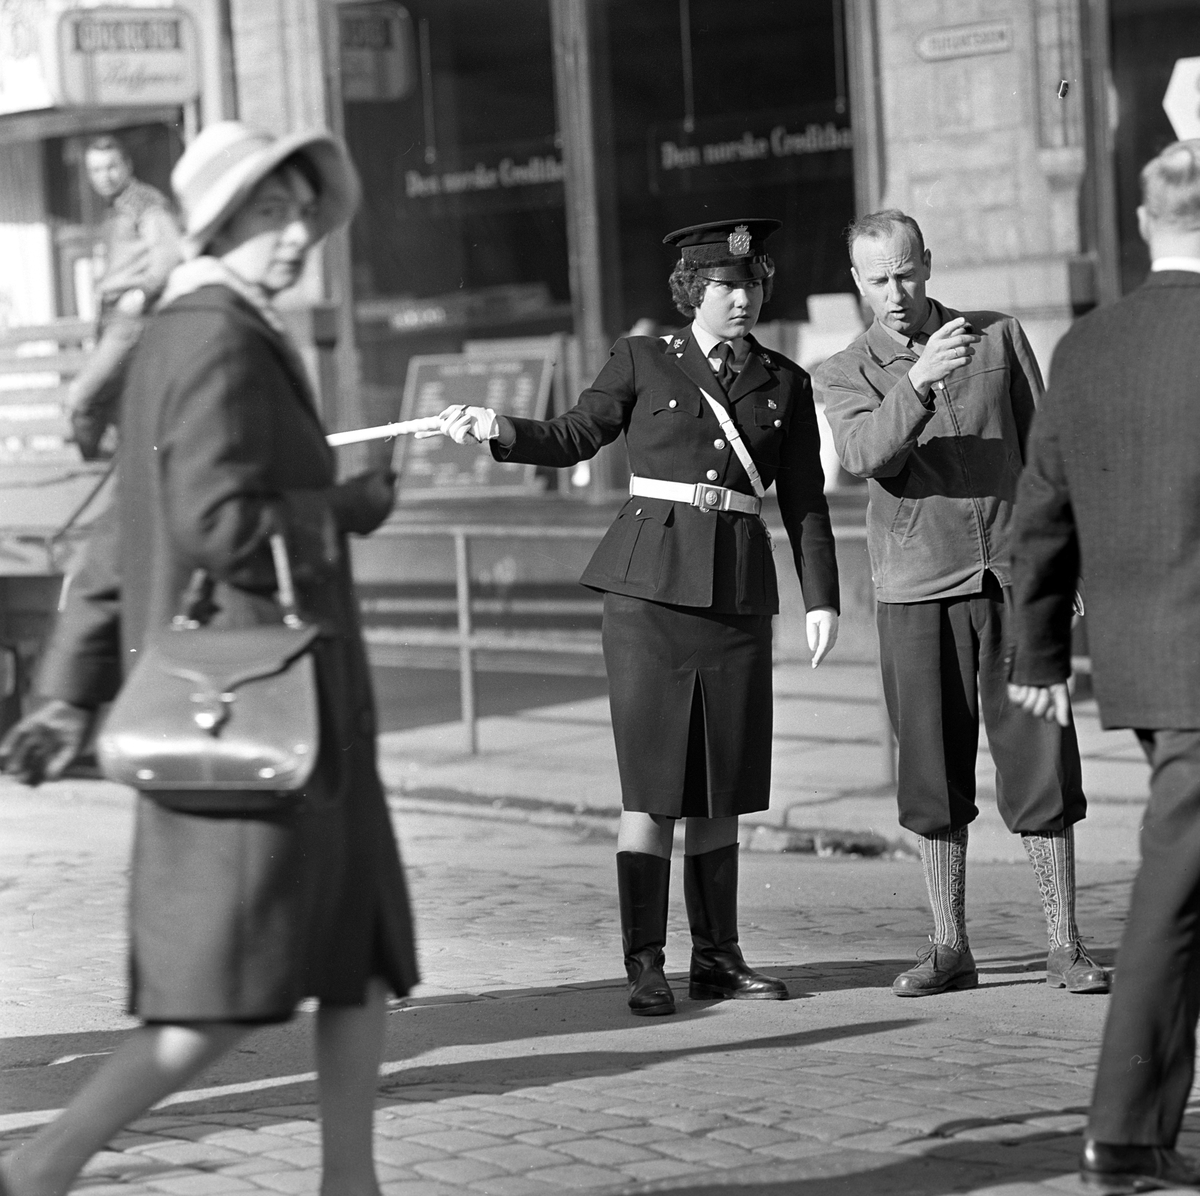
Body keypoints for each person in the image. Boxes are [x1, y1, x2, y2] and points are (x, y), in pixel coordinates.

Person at [0, 120, 417, 1196]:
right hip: (249, 714)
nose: (293, 238)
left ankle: (350, 1182)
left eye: (298, 214)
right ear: (218, 223)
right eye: (267, 216)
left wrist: (58, 694)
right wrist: (345, 508)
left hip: (296, 714)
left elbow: (117, 540)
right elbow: (216, 520)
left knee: (354, 957)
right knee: (214, 996)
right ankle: (43, 1162)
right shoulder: (215, 336)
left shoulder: (199, 330)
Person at [438, 219, 840, 1016]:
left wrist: (821, 596)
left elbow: (804, 503)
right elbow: (575, 435)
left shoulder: (785, 381)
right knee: (653, 788)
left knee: (722, 784)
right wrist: (499, 429)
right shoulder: (644, 358)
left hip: (733, 591)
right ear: (693, 290)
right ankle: (647, 962)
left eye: (752, 284)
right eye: (724, 286)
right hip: (648, 591)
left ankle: (719, 959)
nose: (740, 299)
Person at [814, 209, 1108, 998]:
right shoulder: (843, 371)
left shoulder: (1000, 336)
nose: (896, 292)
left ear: (928, 264)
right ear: (857, 283)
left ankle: (1065, 943)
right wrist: (917, 381)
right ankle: (949, 946)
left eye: (906, 272)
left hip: (1013, 576)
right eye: (878, 279)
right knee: (932, 772)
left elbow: (1047, 449)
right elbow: (863, 454)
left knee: (1042, 755)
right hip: (916, 586)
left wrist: (1062, 560)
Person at [1008, 140, 1200, 1192]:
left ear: (1140, 221)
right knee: (1177, 885)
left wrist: (1038, 651)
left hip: (1143, 657)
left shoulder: (1086, 343)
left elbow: (1040, 510)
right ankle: (1123, 1129)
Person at [68, 135, 184, 459]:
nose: (105, 176)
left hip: (131, 315)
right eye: (96, 171)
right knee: (119, 408)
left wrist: (142, 292)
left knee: (83, 397)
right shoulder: (113, 208)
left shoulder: (144, 202)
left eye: (111, 167)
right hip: (110, 314)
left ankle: (94, 475)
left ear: (127, 166)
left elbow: (170, 252)